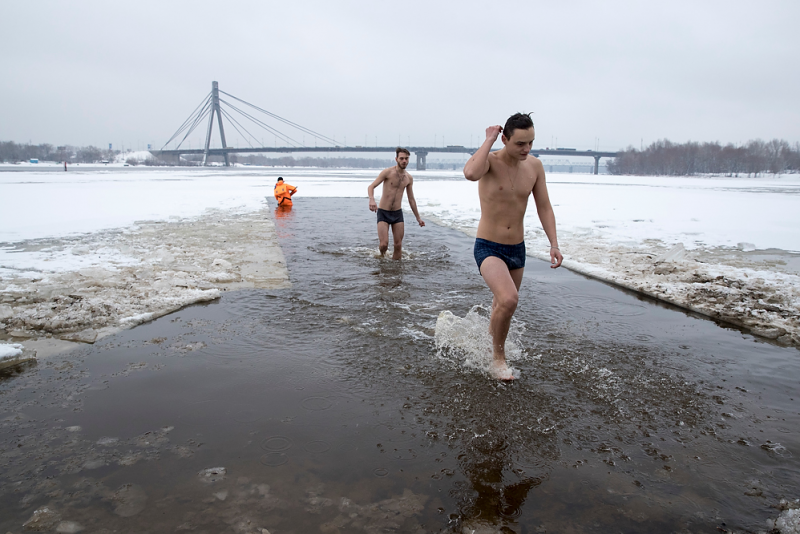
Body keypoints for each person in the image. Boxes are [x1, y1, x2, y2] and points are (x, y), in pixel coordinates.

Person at [463, 113, 563, 380]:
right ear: (505, 138)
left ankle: (487, 345)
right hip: (488, 246)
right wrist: (488, 140)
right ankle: (498, 359)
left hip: (517, 249)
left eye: (530, 142)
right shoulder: (490, 161)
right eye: (520, 143)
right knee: (509, 300)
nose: (526, 149)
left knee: (501, 306)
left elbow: (544, 206)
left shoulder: (535, 166)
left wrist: (553, 243)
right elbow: (470, 173)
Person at [367, 148, 425, 259]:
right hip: (383, 212)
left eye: (406, 158)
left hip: (397, 214)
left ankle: (396, 271)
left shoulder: (409, 178)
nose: (404, 161)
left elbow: (411, 199)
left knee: (398, 245)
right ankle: (382, 258)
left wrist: (418, 218)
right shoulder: (388, 172)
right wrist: (371, 199)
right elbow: (371, 186)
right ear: (396, 159)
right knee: (384, 244)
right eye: (401, 158)